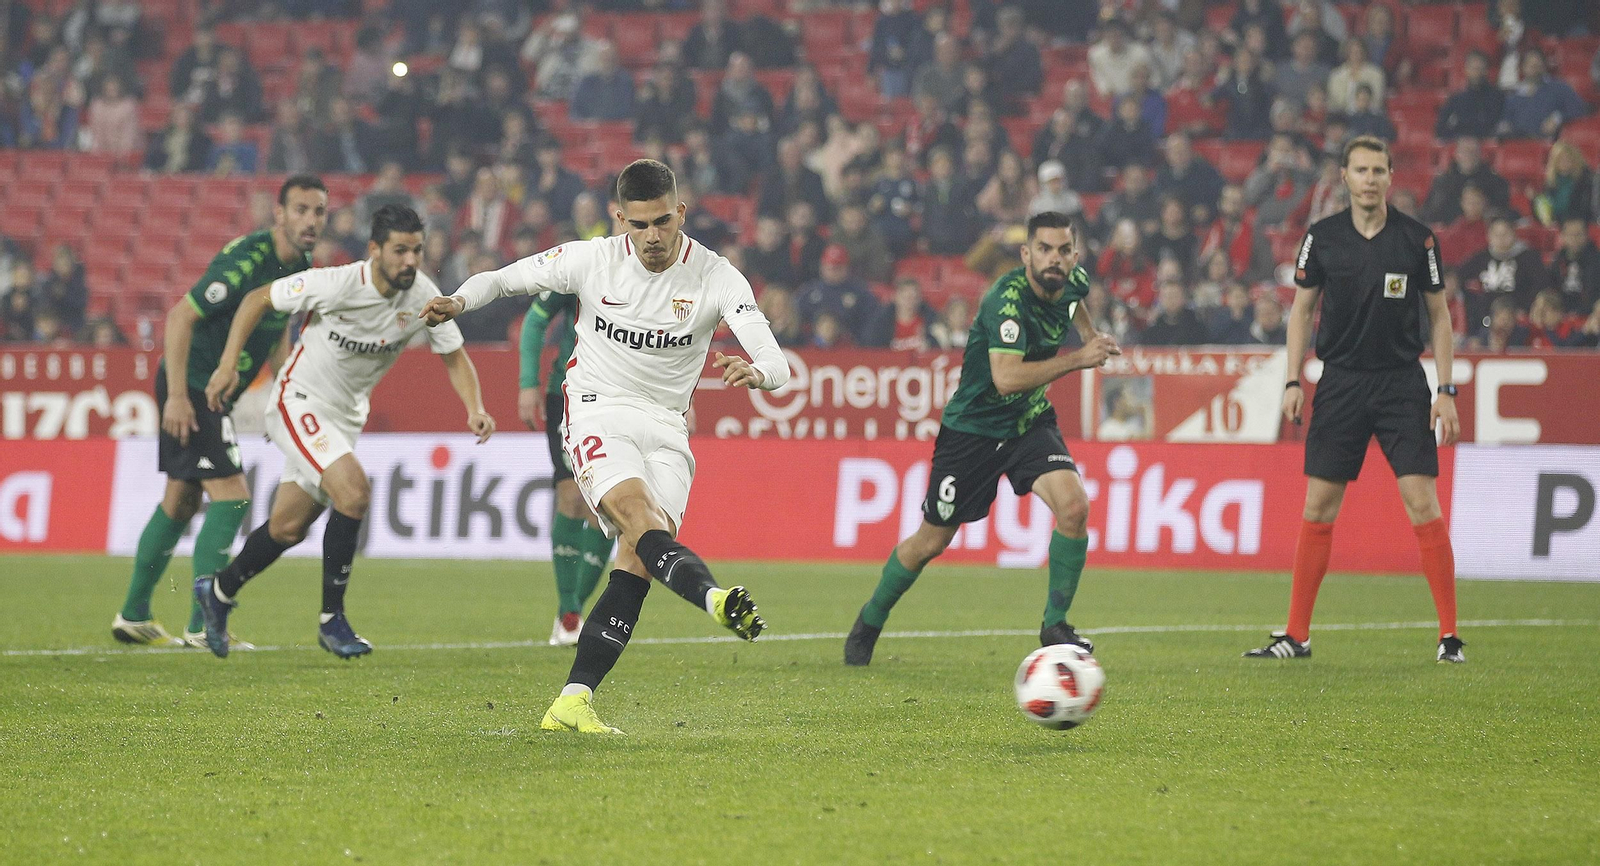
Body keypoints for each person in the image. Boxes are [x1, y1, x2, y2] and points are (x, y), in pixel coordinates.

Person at [422, 159, 789, 734]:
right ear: (620, 219)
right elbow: (502, 279)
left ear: (680, 213)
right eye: (639, 224)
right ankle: (715, 599)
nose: (652, 236)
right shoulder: (590, 260)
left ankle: (572, 700)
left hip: (668, 427)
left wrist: (758, 373)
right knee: (639, 518)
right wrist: (459, 302)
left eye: (662, 222)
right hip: (597, 408)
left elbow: (774, 358)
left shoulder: (717, 276)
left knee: (640, 556)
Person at [193, 205, 495, 659]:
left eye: (416, 250)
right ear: (374, 250)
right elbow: (258, 298)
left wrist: (475, 407)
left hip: (345, 418)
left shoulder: (424, 297)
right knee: (353, 493)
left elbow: (453, 354)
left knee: (287, 527)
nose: (410, 261)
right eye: (399, 251)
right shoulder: (334, 283)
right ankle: (331, 619)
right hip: (299, 402)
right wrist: (228, 364)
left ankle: (217, 592)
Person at [844, 211, 1122, 666]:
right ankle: (870, 620)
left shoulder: (1072, 280)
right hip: (973, 431)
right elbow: (1007, 378)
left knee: (1074, 507)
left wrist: (1093, 335)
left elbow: (1076, 300)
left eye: (1064, 250)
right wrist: (1080, 357)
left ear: (1075, 254)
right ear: (1026, 254)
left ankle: (1055, 625)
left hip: (1027, 422)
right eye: (1046, 250)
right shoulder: (1004, 301)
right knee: (930, 543)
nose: (1056, 259)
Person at [1245, 136, 1465, 664]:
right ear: (1343, 176)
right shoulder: (1321, 238)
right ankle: (1296, 635)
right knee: (1318, 506)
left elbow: (1440, 317)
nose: (1370, 179)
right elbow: (1300, 312)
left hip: (1400, 384)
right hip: (1339, 382)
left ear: (1392, 177)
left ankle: (1450, 636)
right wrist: (1293, 381)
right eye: (1360, 169)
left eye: (1379, 170)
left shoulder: (1418, 241)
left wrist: (1446, 390)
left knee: (1422, 504)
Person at [110, 175, 329, 650]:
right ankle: (202, 626)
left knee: (181, 502)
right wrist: (176, 397)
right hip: (193, 388)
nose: (311, 221)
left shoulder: (302, 265)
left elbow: (276, 331)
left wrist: (286, 396)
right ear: (279, 213)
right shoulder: (246, 261)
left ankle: (133, 614)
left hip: (209, 393)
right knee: (232, 497)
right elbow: (180, 317)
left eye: (319, 212)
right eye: (302, 210)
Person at [519, 290, 614, 646]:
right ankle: (570, 610)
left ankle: (571, 611)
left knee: (606, 507)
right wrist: (528, 382)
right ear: (619, 227)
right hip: (567, 393)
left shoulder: (654, 273)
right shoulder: (582, 268)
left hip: (622, 399)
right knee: (572, 497)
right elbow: (534, 322)